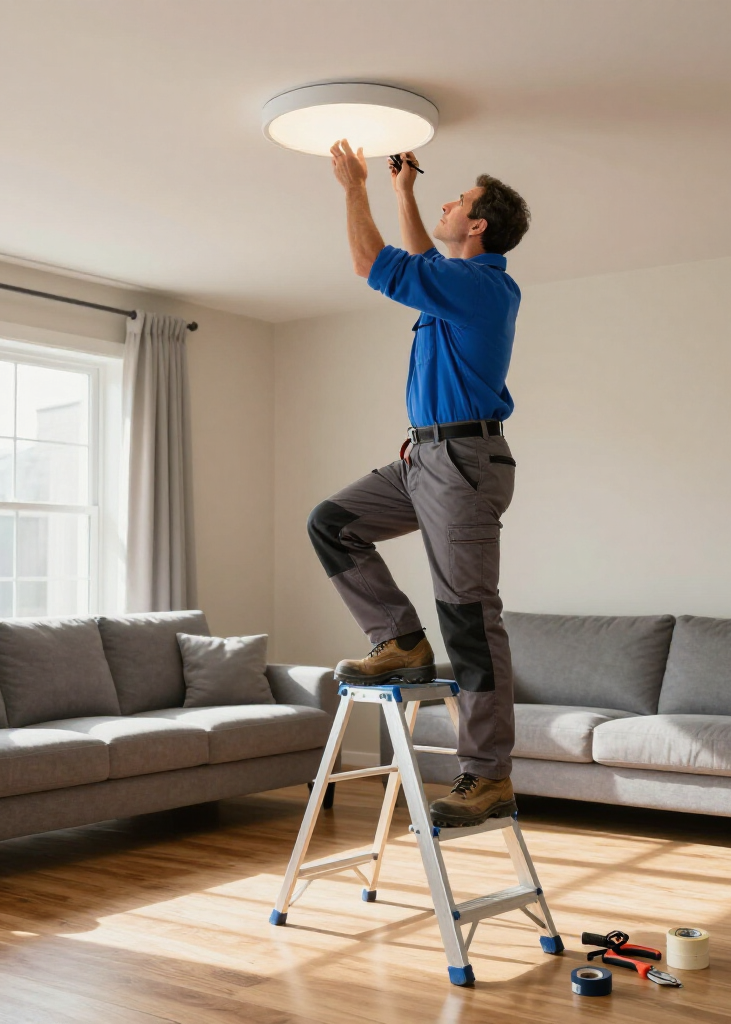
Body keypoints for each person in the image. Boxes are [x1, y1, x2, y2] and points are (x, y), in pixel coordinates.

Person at [307, 138, 530, 828]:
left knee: (469, 617)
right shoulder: (459, 282)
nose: (445, 202)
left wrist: (355, 187)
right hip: (423, 461)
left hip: (463, 465)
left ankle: (488, 776)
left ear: (479, 225)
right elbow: (424, 261)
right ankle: (399, 639)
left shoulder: (483, 287)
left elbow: (374, 264)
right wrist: (402, 193)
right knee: (331, 521)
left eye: (456, 201)